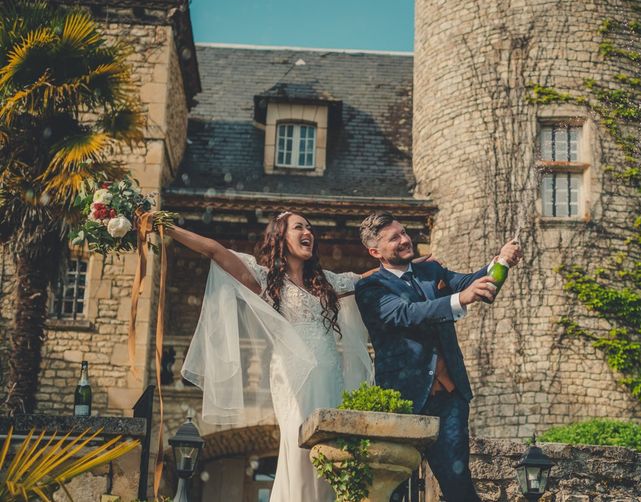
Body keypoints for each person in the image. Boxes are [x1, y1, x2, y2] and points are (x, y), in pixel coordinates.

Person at [173, 211, 373, 502]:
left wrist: (408, 263)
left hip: (330, 375)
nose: (308, 232)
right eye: (299, 227)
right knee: (301, 448)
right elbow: (213, 250)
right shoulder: (267, 279)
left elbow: (367, 280)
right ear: (281, 236)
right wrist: (166, 227)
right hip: (294, 376)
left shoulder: (325, 282)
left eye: (310, 228)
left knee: (331, 450)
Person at [355, 211, 522, 502]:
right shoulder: (372, 287)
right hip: (404, 398)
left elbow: (473, 282)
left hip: (450, 398)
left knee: (459, 484)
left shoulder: (432, 271)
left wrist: (502, 261)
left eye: (405, 232)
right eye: (395, 237)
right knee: (396, 489)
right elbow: (406, 314)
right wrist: (460, 299)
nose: (406, 239)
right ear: (375, 251)